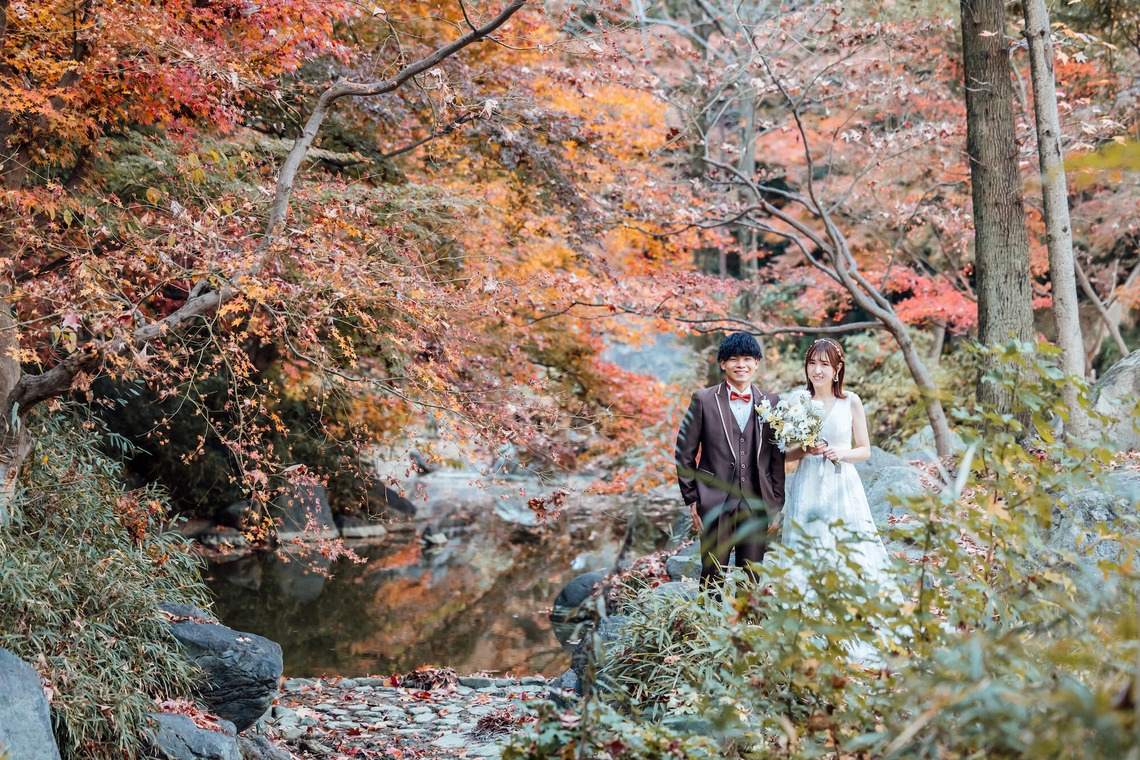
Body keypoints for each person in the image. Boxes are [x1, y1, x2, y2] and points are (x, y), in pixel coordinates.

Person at [675, 332, 786, 588]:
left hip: (757, 502)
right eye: (733, 359)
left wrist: (776, 503)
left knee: (751, 576)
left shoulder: (772, 402)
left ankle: (746, 626)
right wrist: (692, 498)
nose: (741, 365)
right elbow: (684, 452)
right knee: (712, 573)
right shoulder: (703, 400)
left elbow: (775, 456)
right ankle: (709, 625)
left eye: (747, 358)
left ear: (757, 362)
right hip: (714, 501)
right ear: (722, 364)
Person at [783, 338, 894, 590]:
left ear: (837, 370)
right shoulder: (796, 402)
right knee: (808, 541)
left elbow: (865, 450)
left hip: (841, 480)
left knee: (844, 541)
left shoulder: (850, 401)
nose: (817, 370)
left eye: (824, 364)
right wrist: (804, 449)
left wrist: (840, 453)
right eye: (812, 363)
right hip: (808, 479)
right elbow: (781, 455)